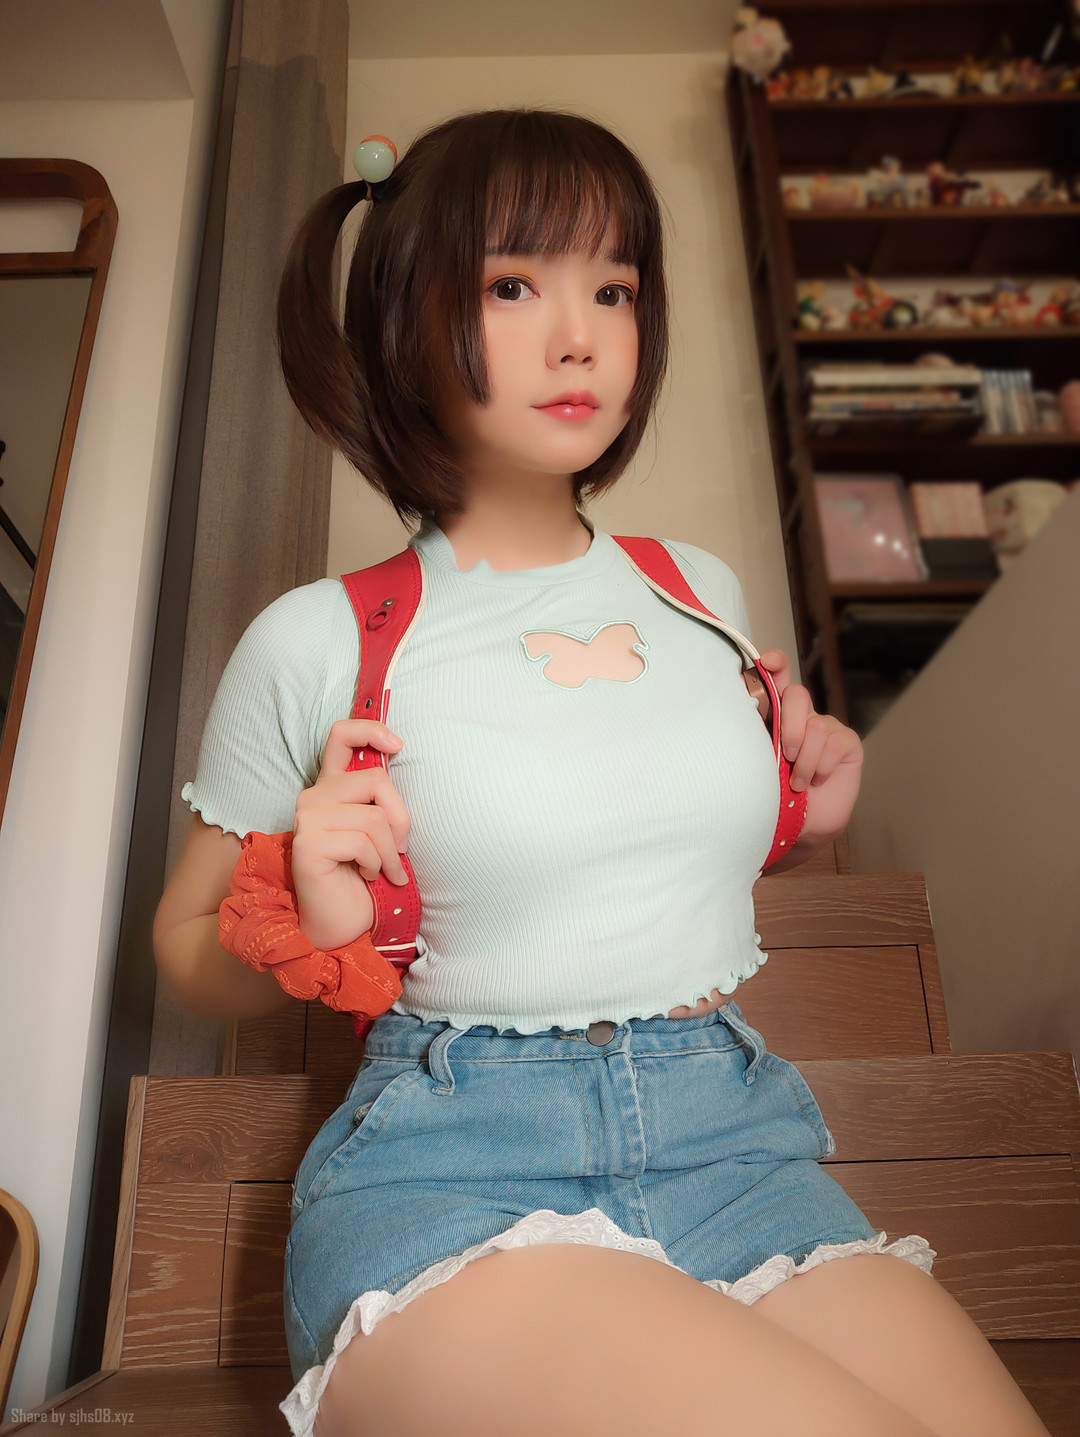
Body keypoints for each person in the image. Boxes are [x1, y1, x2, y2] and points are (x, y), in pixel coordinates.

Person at [153, 109, 1050, 1437]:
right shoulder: (320, 638)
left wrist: (801, 819)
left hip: (737, 1145)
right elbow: (185, 948)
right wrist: (307, 913)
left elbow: (618, 870)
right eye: (514, 285)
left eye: (614, 289)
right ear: (406, 318)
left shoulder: (702, 592)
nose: (579, 335)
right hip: (455, 1171)